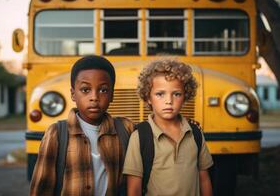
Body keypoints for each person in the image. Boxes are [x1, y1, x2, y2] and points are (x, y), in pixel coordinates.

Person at [30, 55, 134, 196]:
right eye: (85, 90)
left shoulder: (125, 129)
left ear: (112, 95)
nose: (94, 97)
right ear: (73, 94)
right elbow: (42, 187)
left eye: (103, 90)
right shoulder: (57, 133)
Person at [123, 58, 213, 196]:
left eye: (176, 94)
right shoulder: (140, 137)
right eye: (160, 94)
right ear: (148, 97)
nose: (169, 101)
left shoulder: (195, 133)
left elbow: (204, 179)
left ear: (185, 96)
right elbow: (134, 188)